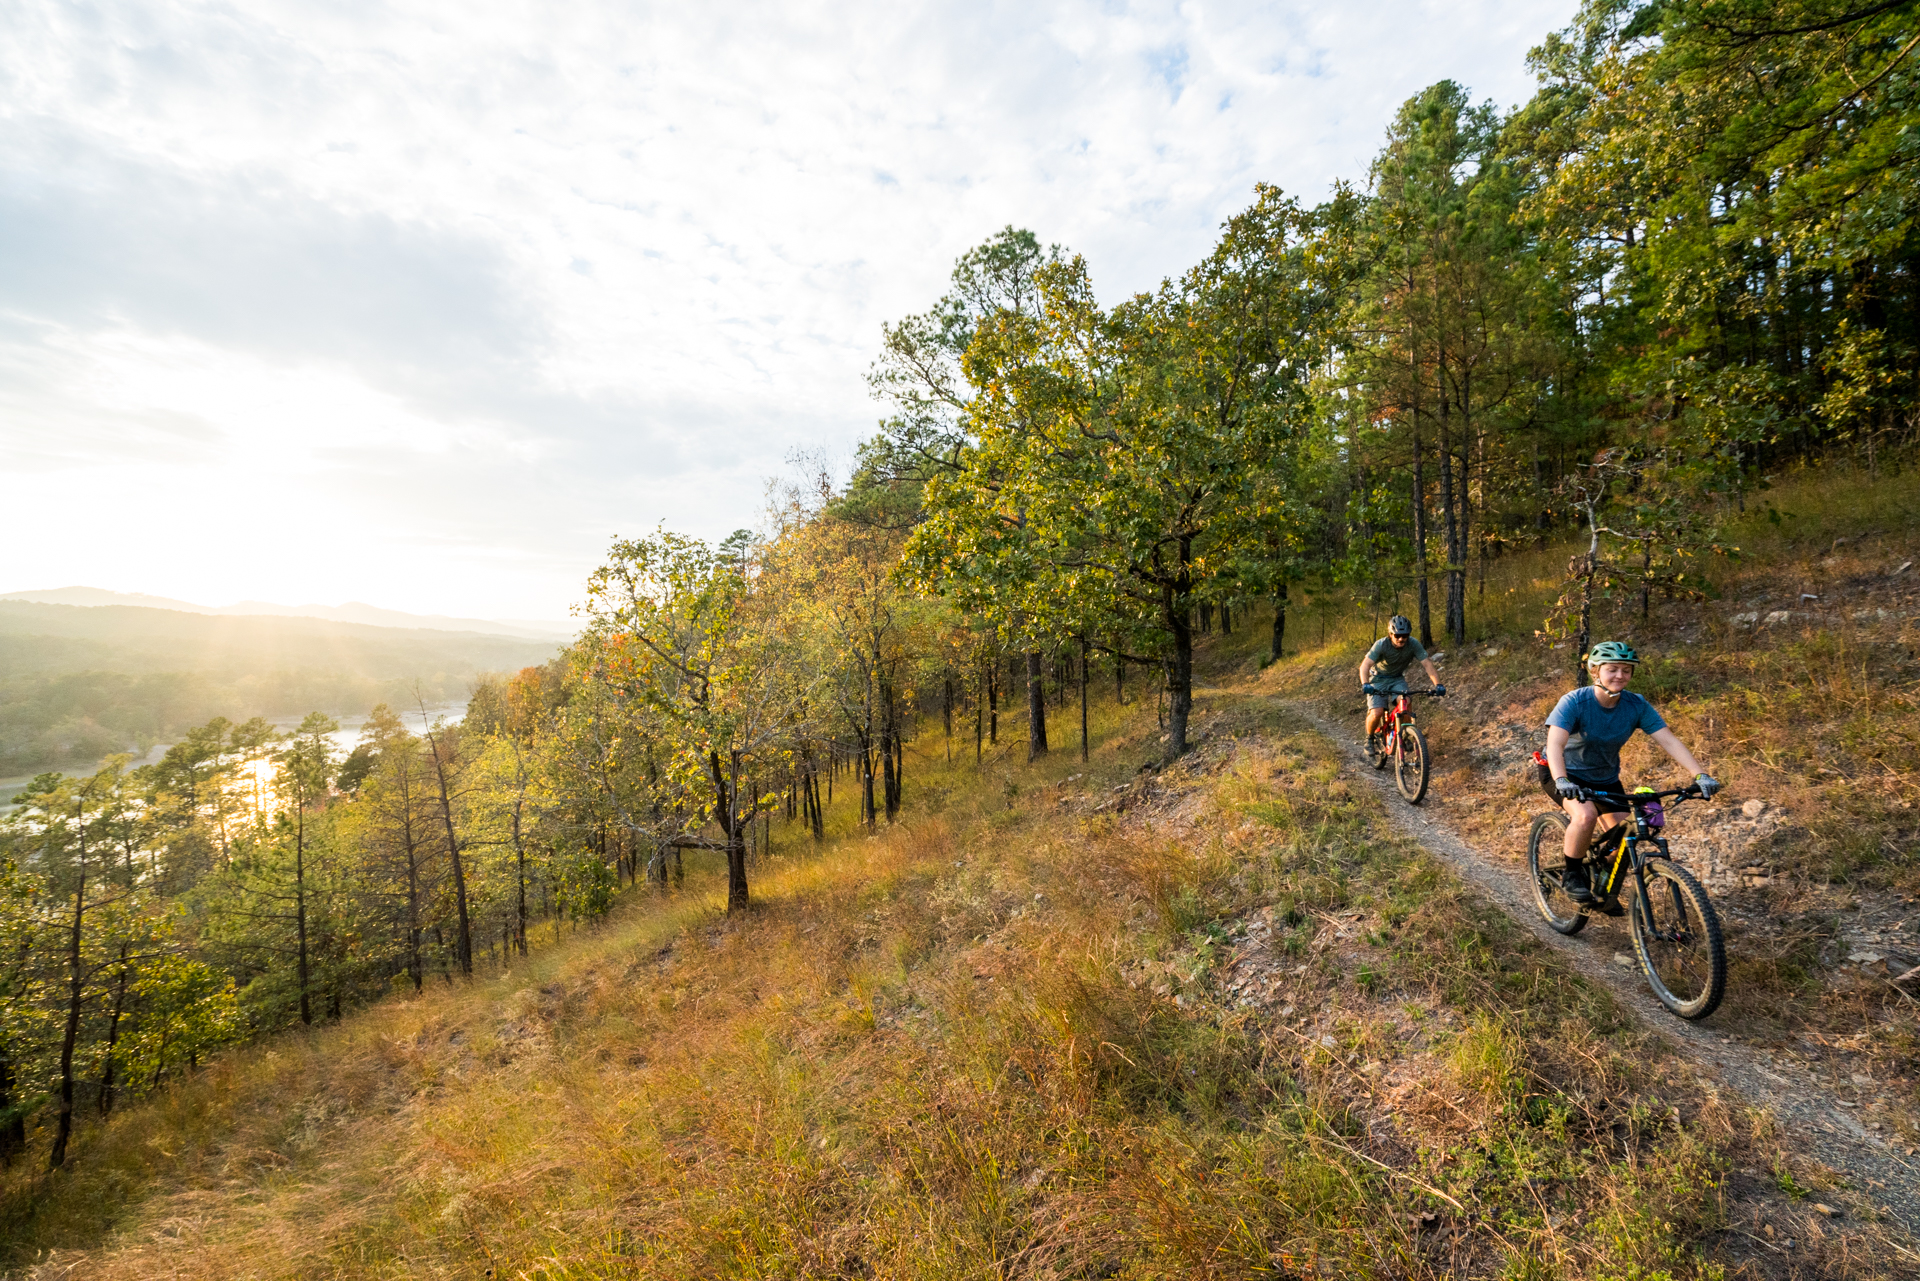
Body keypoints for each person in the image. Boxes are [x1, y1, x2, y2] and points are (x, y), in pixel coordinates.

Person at [1544, 641, 1720, 902]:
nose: (1620, 676)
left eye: (1626, 670)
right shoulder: (1575, 702)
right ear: (1595, 671)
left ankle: (1603, 888)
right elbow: (1555, 743)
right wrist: (1561, 779)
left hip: (1605, 778)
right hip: (1564, 773)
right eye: (1612, 669)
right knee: (1585, 815)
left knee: (1627, 838)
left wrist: (1700, 774)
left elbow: (1668, 740)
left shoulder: (1635, 705)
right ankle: (1572, 873)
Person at [1359, 615, 1444, 748]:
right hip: (1378, 679)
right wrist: (1365, 683)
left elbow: (1427, 664)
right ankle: (1369, 739)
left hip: (1397, 678)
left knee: (1406, 703)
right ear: (1390, 634)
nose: (1401, 639)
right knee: (1377, 712)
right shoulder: (1381, 645)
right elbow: (1365, 665)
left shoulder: (1413, 644)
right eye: (1397, 635)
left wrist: (1438, 685)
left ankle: (1404, 735)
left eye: (1404, 636)